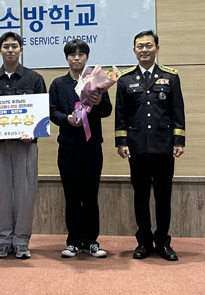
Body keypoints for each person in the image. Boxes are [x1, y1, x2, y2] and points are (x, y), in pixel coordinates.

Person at [115, 30, 185, 261]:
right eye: (140, 46)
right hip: (137, 148)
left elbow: (177, 111)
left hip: (163, 147)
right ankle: (144, 242)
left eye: (148, 45)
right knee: (141, 197)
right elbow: (121, 114)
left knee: (163, 197)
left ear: (157, 48)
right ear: (134, 50)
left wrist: (178, 140)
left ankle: (163, 242)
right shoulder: (125, 79)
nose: (144, 50)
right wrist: (121, 142)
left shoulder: (170, 77)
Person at [0, 32, 46, 259]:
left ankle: (21, 241)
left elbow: (42, 113)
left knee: (26, 192)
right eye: (6, 46)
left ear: (21, 50)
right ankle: (3, 240)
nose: (10, 50)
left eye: (14, 46)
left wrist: (34, 133)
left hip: (25, 146)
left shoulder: (34, 79)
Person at [49, 39, 112, 258]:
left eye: (81, 54)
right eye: (72, 54)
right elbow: (52, 112)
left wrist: (98, 101)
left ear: (87, 57)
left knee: (91, 195)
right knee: (72, 196)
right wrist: (66, 119)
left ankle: (92, 241)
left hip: (92, 147)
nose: (76, 58)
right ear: (66, 58)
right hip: (68, 148)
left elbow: (107, 110)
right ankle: (73, 241)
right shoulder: (58, 84)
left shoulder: (98, 81)